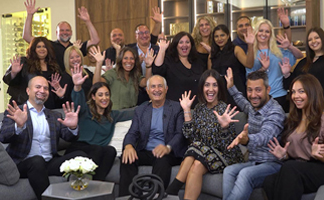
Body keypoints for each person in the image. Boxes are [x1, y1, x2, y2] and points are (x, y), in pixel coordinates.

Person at [0, 76, 85, 200]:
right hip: (23, 163)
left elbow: (69, 137)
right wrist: (19, 125)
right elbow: (2, 136)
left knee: (80, 156)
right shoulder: (15, 112)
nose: (42, 91)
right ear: (28, 91)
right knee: (37, 161)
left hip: (49, 163)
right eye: (38, 87)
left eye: (46, 88)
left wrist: (73, 127)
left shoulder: (54, 115)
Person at [263, 74, 324, 200]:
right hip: (300, 167)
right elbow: (298, 153)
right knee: (269, 181)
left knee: (290, 168)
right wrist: (285, 155)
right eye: (293, 92)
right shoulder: (292, 120)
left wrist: (319, 154)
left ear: (312, 93)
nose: (296, 96)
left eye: (301, 91)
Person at [165, 69, 244, 200]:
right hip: (202, 155)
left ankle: (172, 189)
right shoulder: (199, 109)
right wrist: (186, 111)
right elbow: (190, 136)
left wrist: (224, 128)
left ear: (219, 88)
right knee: (196, 164)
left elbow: (228, 146)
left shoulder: (224, 109)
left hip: (226, 156)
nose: (210, 89)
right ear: (202, 88)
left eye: (215, 85)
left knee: (196, 147)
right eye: (207, 85)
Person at [222, 69, 286, 200]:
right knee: (228, 171)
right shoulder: (253, 106)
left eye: (258, 90)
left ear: (268, 90)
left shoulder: (276, 112)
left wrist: (247, 139)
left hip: (272, 164)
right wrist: (231, 87)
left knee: (245, 174)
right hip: (254, 161)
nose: (253, 95)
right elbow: (243, 103)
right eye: (249, 90)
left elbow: (265, 136)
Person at [119, 75, 187, 196]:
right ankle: (126, 197)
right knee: (127, 159)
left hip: (167, 152)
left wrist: (167, 147)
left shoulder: (176, 108)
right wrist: (128, 146)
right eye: (153, 86)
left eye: (160, 86)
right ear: (148, 90)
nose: (157, 90)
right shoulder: (141, 110)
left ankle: (154, 196)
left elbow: (180, 134)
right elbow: (132, 132)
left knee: (162, 161)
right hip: (146, 150)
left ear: (166, 89)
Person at [65, 65, 134, 180]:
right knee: (97, 149)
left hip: (98, 152)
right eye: (100, 95)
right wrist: (77, 86)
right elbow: (77, 101)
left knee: (110, 150)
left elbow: (132, 112)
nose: (104, 98)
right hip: (79, 149)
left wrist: (152, 102)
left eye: (107, 94)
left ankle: (97, 184)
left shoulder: (112, 115)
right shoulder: (84, 110)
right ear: (93, 96)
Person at [23, 0, 100, 71]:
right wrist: (29, 15)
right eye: (62, 30)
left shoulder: (76, 47)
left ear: (71, 32)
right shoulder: (50, 45)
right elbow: (27, 37)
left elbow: (95, 40)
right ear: (56, 33)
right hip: (55, 81)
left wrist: (88, 21)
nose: (65, 32)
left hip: (75, 80)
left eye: (67, 30)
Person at [246, 19, 303, 112]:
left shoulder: (278, 51)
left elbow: (299, 55)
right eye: (261, 30)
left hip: (279, 96)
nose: (263, 34)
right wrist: (263, 68)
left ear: (270, 34)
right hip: (260, 98)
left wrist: (289, 46)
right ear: (256, 32)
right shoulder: (251, 52)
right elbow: (249, 77)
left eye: (267, 31)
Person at [3, 37, 67, 109]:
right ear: (33, 49)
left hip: (47, 107)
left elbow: (57, 89)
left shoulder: (54, 66)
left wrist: (60, 95)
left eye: (44, 47)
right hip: (24, 106)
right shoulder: (24, 62)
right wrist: (14, 73)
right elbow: (6, 80)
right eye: (38, 47)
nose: (42, 49)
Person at [153, 31, 206, 108]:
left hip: (198, 107)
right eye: (181, 42)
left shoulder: (198, 61)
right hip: (176, 109)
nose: (184, 45)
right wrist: (162, 49)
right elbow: (157, 70)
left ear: (191, 45)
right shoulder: (169, 61)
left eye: (187, 42)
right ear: (175, 45)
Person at [208, 24, 254, 108]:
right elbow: (209, 75)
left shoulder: (236, 49)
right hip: (219, 91)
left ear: (228, 35)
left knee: (238, 116)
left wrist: (250, 45)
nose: (219, 39)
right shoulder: (212, 53)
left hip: (235, 88)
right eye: (216, 36)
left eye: (222, 35)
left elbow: (249, 64)